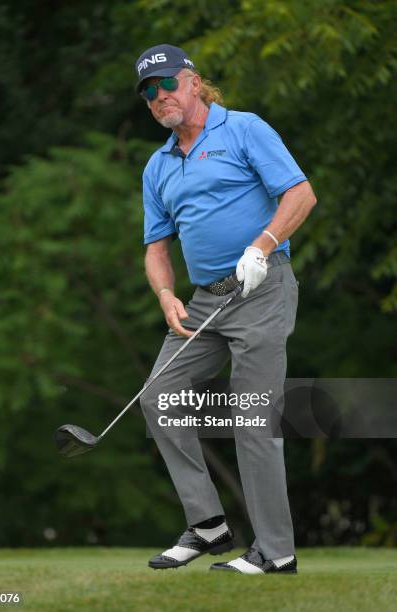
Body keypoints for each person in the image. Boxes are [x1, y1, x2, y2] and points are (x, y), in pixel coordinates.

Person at [136, 44, 317, 575]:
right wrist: (167, 296)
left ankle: (275, 551)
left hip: (261, 288)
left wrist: (261, 246)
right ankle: (208, 524)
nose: (160, 96)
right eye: (149, 91)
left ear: (193, 81)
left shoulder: (243, 129)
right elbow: (156, 248)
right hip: (203, 302)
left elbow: (301, 195)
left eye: (167, 83)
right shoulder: (158, 164)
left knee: (253, 416)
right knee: (159, 397)